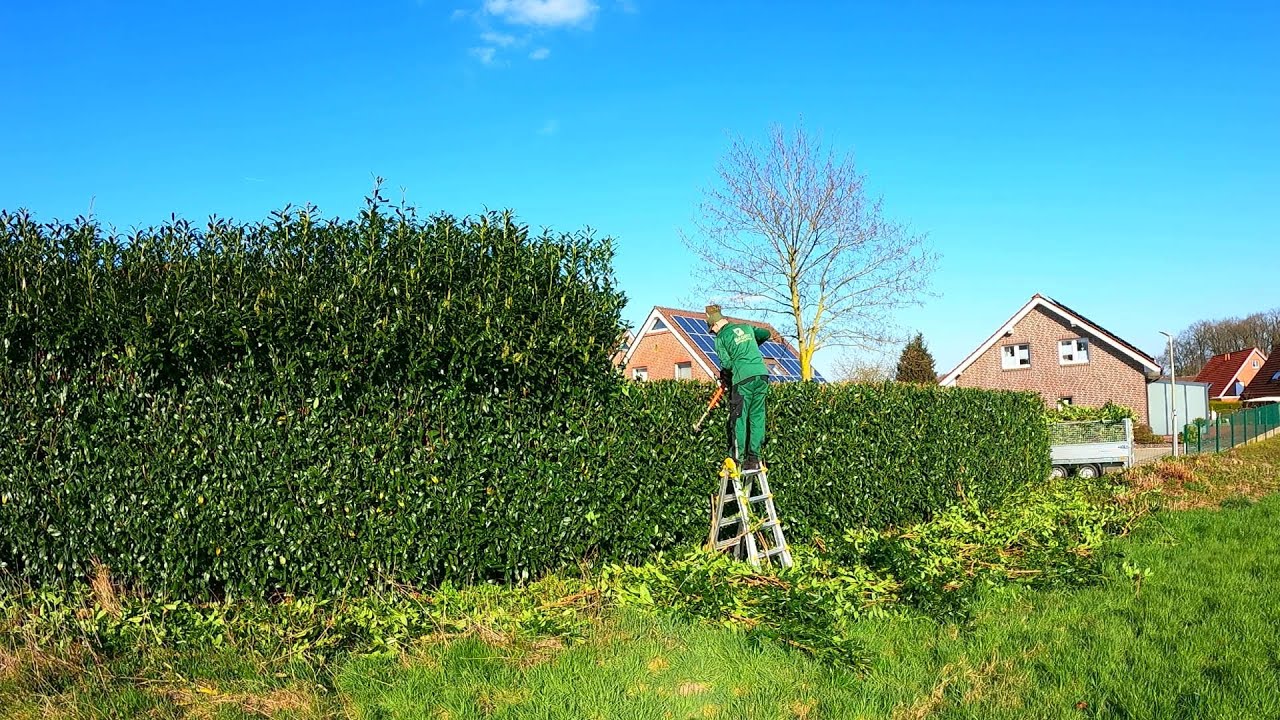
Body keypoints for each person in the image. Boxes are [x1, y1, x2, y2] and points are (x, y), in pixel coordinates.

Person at [706, 304, 772, 471]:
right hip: (762, 375)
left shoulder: (721, 338)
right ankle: (754, 458)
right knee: (757, 416)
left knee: (739, 418)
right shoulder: (746, 327)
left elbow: (727, 364)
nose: (713, 333)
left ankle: (737, 458)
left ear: (715, 324)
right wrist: (752, 345)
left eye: (712, 330)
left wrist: (726, 376)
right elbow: (766, 333)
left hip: (743, 379)